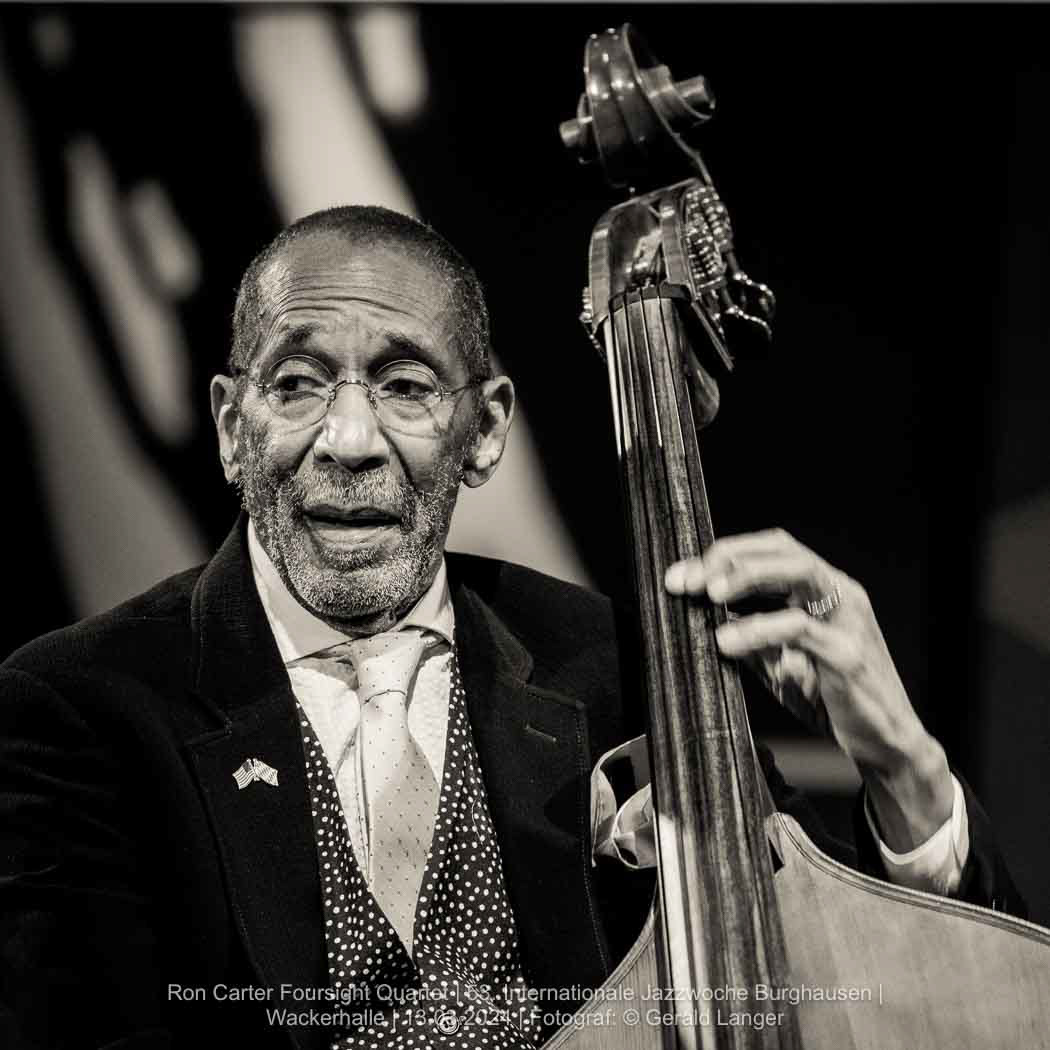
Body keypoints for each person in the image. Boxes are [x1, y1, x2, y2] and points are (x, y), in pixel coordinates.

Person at [0, 206, 1023, 1050]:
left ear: (484, 429)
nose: (348, 440)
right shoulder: (80, 708)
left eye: (405, 386)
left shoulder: (622, 666)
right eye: (298, 384)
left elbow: (915, 1000)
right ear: (234, 427)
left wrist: (906, 770)